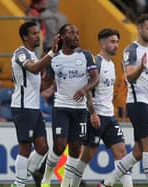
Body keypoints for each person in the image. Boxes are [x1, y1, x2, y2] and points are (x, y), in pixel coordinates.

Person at [100, 14, 148, 187]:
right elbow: (129, 76)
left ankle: (107, 182)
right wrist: (140, 68)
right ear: (139, 28)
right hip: (137, 102)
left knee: (139, 151)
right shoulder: (131, 50)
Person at [68, 28, 133, 187]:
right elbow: (87, 89)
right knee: (87, 156)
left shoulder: (112, 64)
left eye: (117, 42)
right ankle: (72, 184)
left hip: (110, 116)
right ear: (102, 44)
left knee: (122, 153)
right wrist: (93, 113)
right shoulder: (95, 62)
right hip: (96, 116)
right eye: (112, 42)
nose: (116, 45)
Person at [40, 24, 99, 187]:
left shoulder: (86, 55)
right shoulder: (54, 58)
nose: (76, 36)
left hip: (80, 110)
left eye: (77, 33)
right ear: (61, 37)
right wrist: (29, 89)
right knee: (59, 147)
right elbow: (47, 83)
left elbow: (95, 78)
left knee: (75, 149)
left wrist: (84, 89)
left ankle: (65, 184)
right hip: (61, 107)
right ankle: (46, 179)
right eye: (71, 32)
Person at [10, 21, 59, 187]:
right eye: (33, 33)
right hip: (23, 108)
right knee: (25, 148)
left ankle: (25, 176)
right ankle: (19, 183)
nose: (37, 35)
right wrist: (51, 54)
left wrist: (52, 73)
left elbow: (41, 86)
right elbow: (34, 69)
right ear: (25, 36)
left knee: (43, 148)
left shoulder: (34, 55)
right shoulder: (21, 53)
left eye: (38, 32)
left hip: (33, 108)